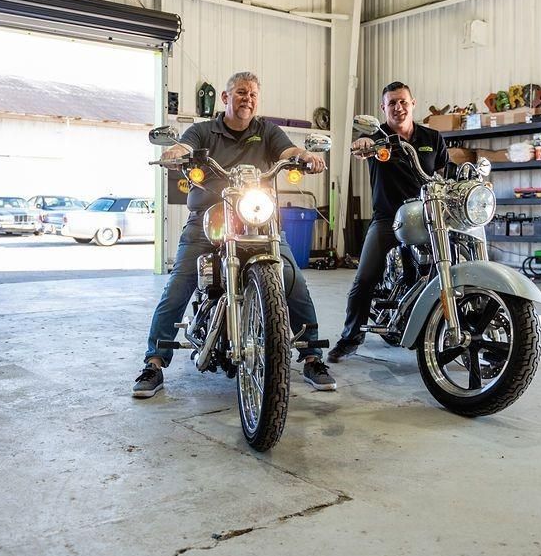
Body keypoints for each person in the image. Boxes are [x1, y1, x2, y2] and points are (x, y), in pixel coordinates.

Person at [133, 71, 337, 397]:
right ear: (226, 98)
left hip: (258, 220)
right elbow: (185, 145)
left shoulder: (267, 131)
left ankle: (312, 355)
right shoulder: (203, 130)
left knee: (291, 278)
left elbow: (286, 152)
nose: (248, 99)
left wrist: (304, 156)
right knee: (180, 281)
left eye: (253, 94)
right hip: (209, 219)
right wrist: (175, 154)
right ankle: (154, 362)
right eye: (241, 93)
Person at [327, 81, 449, 363]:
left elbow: (445, 174)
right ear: (383, 108)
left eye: (403, 101)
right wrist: (363, 144)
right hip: (389, 218)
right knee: (365, 276)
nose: (398, 107)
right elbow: (361, 146)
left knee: (452, 262)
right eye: (392, 103)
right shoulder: (376, 135)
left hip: (428, 217)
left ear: (413, 103)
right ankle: (350, 337)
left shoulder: (433, 137)